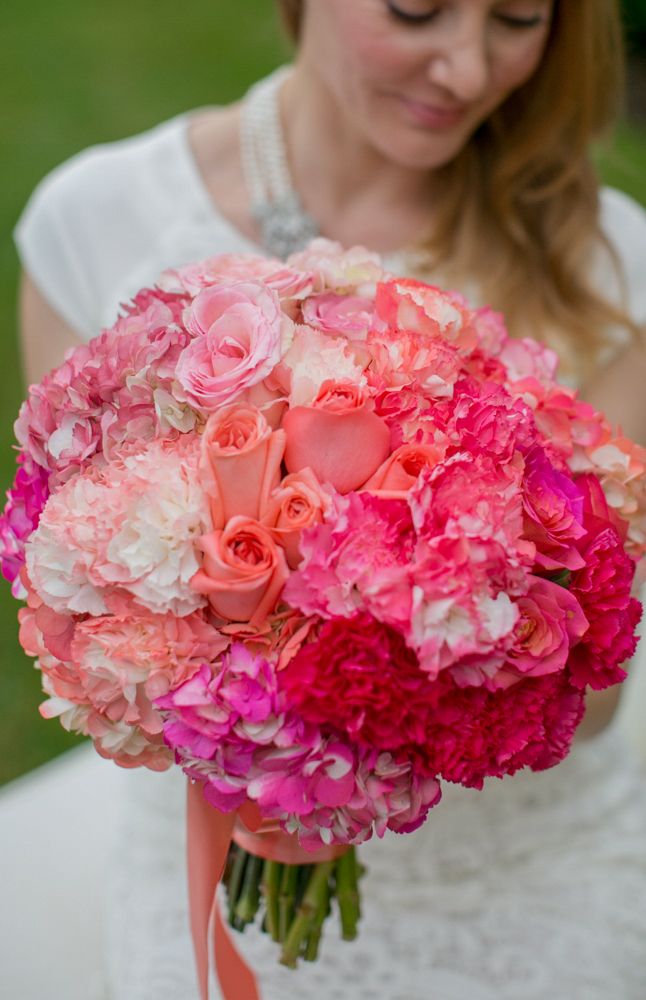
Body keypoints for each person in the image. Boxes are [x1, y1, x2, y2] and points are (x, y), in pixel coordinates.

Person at [4, 1, 646, 997]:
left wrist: (423, 623)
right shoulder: (98, 217)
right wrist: (249, 629)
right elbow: (71, 589)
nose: (465, 71)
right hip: (214, 849)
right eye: (414, 9)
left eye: (518, 20)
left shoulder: (614, 266)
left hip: (518, 865)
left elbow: (595, 698)